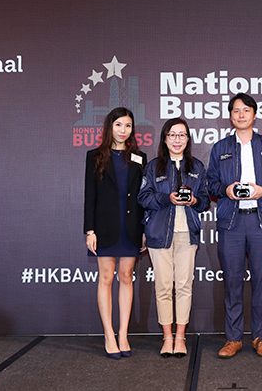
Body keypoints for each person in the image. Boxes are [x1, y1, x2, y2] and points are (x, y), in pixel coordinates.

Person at [206, 93, 262, 359]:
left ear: (254, 115)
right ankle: (233, 338)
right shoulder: (220, 147)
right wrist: (225, 190)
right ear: (231, 116)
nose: (241, 115)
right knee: (232, 281)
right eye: (236, 111)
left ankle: (260, 337)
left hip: (261, 220)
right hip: (231, 221)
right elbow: (211, 184)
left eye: (246, 110)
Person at [138, 118, 209, 358]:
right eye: (173, 135)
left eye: (182, 135)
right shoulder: (153, 166)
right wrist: (166, 198)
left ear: (188, 139)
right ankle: (167, 337)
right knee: (164, 287)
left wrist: (194, 201)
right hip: (159, 234)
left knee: (184, 286)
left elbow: (205, 200)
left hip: (187, 234)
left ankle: (181, 337)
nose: (177, 140)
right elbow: (144, 198)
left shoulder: (197, 166)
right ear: (165, 139)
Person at [84, 107, 146, 359]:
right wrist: (90, 229)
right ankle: (109, 334)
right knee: (106, 278)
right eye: (119, 125)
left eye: (128, 126)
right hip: (105, 227)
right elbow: (90, 196)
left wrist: (142, 229)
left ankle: (123, 334)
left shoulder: (139, 157)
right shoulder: (95, 156)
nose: (123, 130)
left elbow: (142, 197)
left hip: (131, 228)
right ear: (110, 127)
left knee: (126, 277)